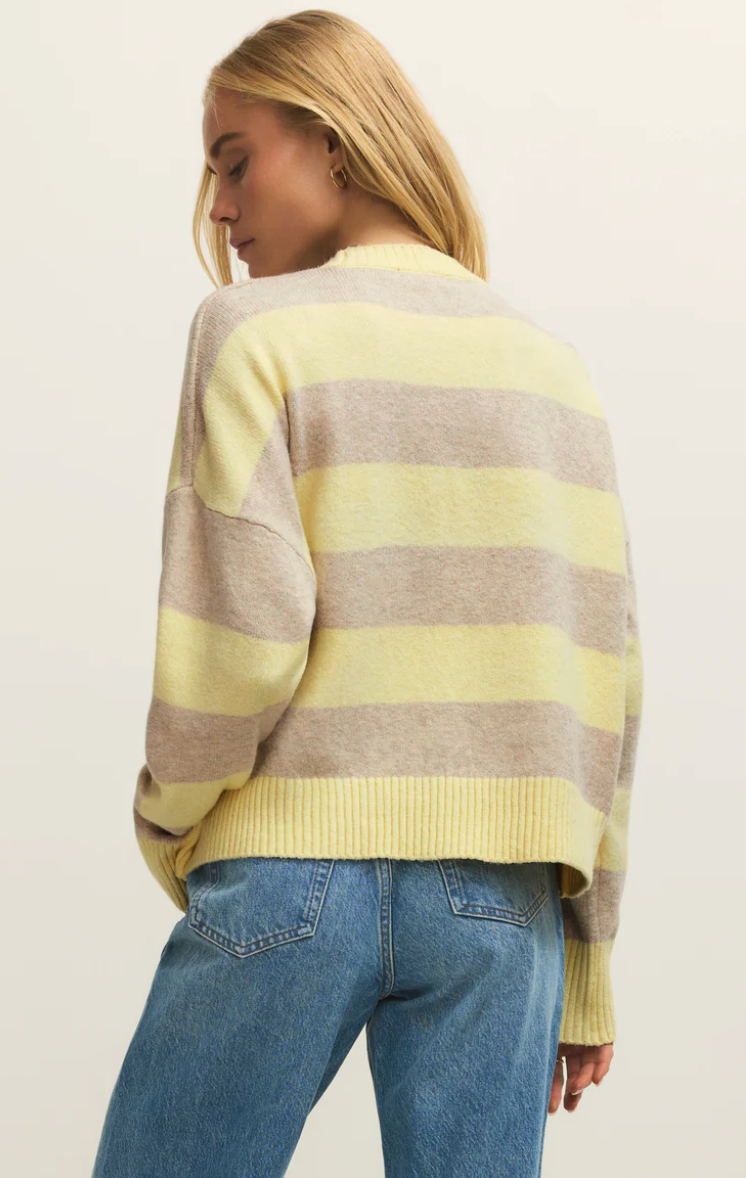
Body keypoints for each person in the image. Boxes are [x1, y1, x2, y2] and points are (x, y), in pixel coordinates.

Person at [91, 10, 643, 1178]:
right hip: (502, 905)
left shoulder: (253, 334)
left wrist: (172, 819)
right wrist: (586, 959)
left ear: (332, 142)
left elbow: (238, 639)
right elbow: (601, 684)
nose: (220, 209)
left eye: (234, 161)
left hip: (292, 867)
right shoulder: (552, 370)